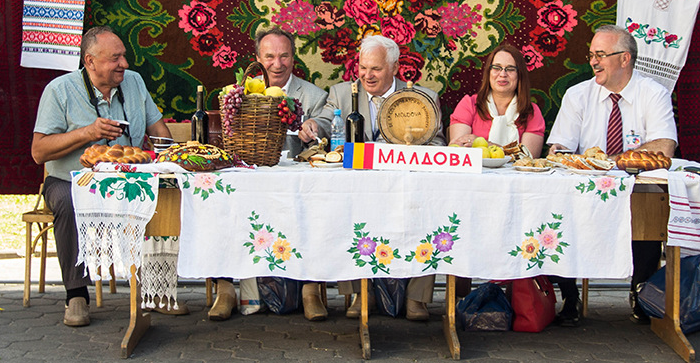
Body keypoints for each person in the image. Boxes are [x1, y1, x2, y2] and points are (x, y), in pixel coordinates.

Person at [31, 26, 173, 327]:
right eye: (115, 58)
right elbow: (39, 151)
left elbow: (158, 130)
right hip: (71, 180)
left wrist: (168, 157)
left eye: (124, 56)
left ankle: (155, 290)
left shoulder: (133, 83)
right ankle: (76, 295)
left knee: (166, 198)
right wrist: (88, 133)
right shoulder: (60, 90)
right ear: (90, 62)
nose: (124, 64)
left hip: (128, 178)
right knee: (69, 205)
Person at [304, 35, 446, 321]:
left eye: (376, 69)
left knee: (429, 216)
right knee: (344, 215)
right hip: (359, 188)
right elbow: (325, 120)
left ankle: (416, 299)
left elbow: (438, 143)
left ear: (394, 67)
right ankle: (358, 294)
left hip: (405, 187)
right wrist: (313, 126)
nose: (367, 75)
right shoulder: (342, 93)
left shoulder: (423, 98)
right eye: (362, 67)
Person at [546, 24, 677, 326]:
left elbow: (664, 147)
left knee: (647, 209)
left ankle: (641, 292)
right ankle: (569, 295)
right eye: (592, 55)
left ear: (625, 59)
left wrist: (609, 161)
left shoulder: (653, 94)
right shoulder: (577, 95)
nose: (593, 62)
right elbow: (559, 150)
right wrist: (580, 161)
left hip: (634, 189)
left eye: (601, 55)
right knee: (555, 210)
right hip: (584, 190)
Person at [206, 26, 331, 322]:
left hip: (296, 183)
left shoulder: (313, 95)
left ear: (293, 57)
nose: (278, 64)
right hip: (251, 179)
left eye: (284, 56)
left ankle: (310, 290)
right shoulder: (240, 94)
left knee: (316, 210)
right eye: (270, 56)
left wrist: (313, 128)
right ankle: (226, 290)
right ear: (257, 58)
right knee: (220, 206)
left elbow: (323, 124)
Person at [448, 42, 545, 156]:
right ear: (488, 72)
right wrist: (510, 152)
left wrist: (486, 145)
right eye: (496, 67)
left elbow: (528, 157)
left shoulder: (531, 111)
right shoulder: (469, 104)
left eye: (510, 69)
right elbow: (458, 151)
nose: (503, 74)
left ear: (520, 75)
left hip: (515, 174)